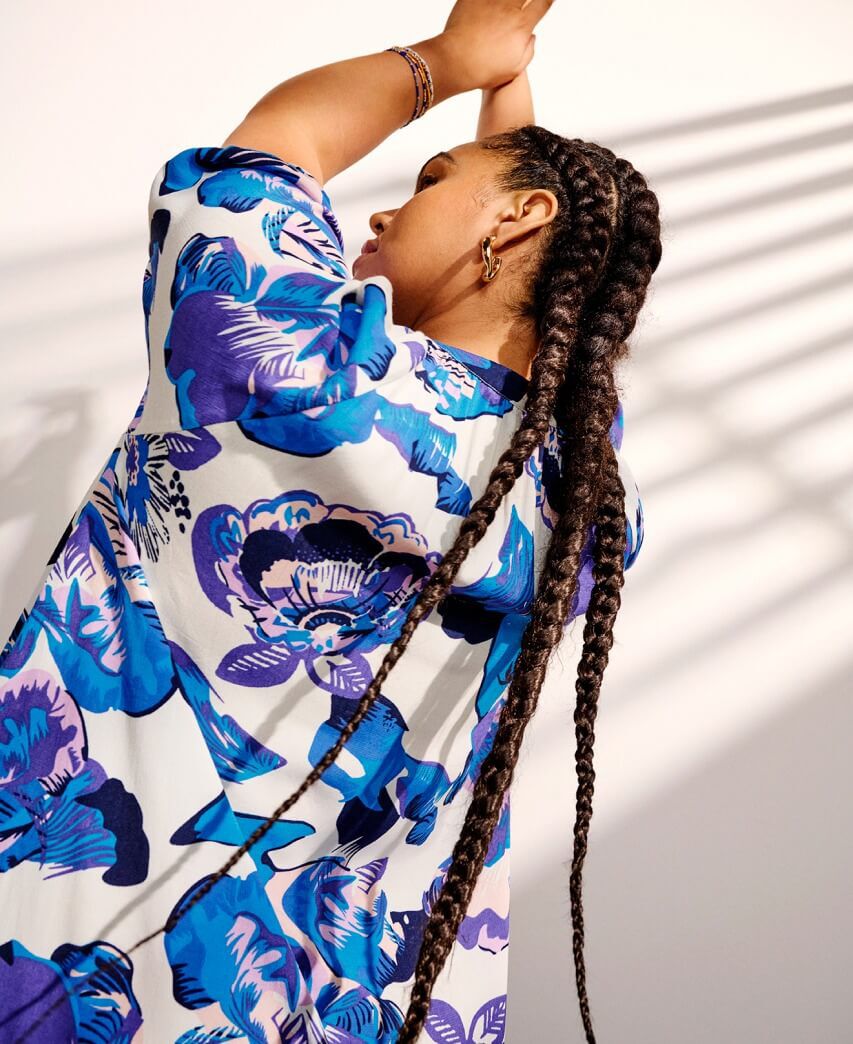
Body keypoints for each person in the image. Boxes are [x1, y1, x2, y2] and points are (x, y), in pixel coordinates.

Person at [0, 1, 659, 1041]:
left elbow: (275, 144)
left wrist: (450, 57)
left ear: (520, 219)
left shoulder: (301, 360)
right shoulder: (579, 502)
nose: (383, 213)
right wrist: (503, 110)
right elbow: (544, 335)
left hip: (75, 962)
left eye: (426, 183)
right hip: (331, 1008)